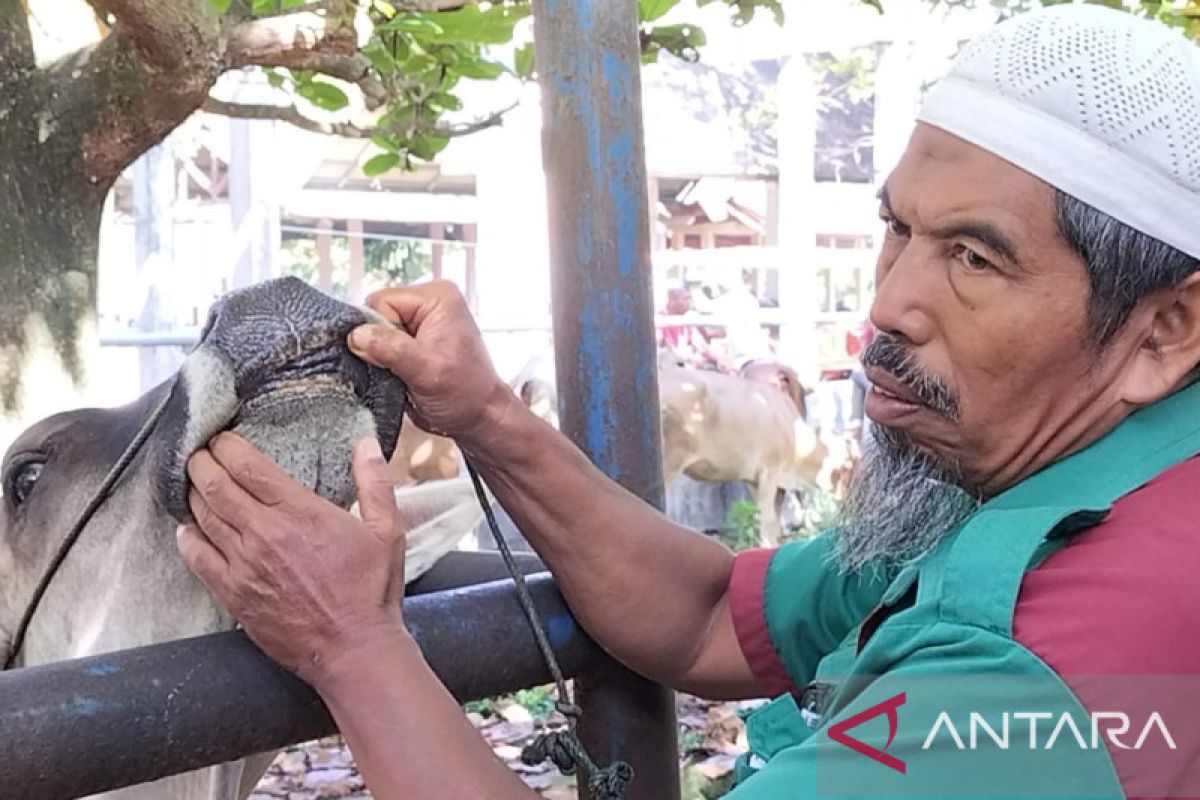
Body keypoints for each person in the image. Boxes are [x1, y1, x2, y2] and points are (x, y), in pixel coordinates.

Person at [176, 6, 1200, 798]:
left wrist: (351, 644)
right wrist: (484, 412)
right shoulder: (1067, 478)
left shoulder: (1046, 666)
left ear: (1164, 331)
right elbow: (712, 614)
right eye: (898, 229)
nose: (889, 303)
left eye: (974, 258)